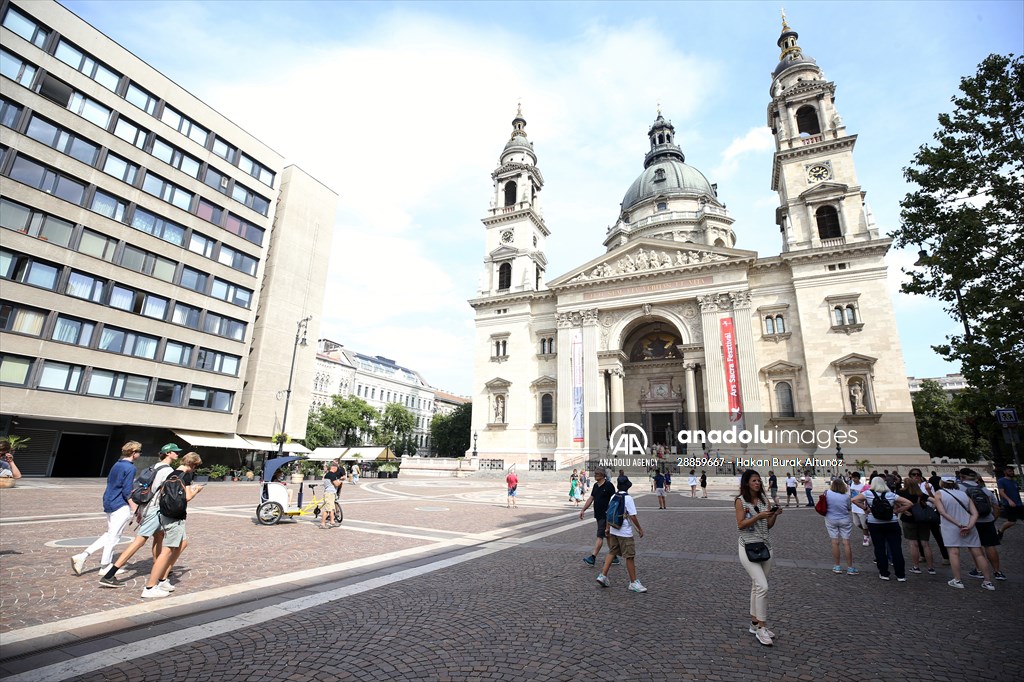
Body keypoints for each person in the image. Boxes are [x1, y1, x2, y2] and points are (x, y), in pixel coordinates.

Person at [98, 443, 181, 587]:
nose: (177, 454)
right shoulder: (168, 470)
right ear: (168, 453)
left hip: (147, 507)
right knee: (139, 541)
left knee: (159, 536)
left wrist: (139, 510)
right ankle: (110, 574)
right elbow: (164, 493)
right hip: (156, 509)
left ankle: (159, 567)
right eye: (175, 452)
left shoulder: (154, 466)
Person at [71, 442, 141, 577]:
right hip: (120, 504)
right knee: (114, 537)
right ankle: (105, 565)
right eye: (140, 451)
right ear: (134, 452)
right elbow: (127, 491)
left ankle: (83, 556)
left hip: (109, 501)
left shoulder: (117, 464)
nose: (140, 454)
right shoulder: (130, 468)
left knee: (110, 534)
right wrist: (135, 509)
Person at [141, 452, 204, 598]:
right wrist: (196, 491)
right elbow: (187, 497)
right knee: (167, 551)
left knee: (183, 543)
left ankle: (163, 579)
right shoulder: (186, 475)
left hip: (165, 514)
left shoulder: (172, 473)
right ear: (193, 464)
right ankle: (150, 587)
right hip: (176, 516)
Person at [735, 469, 782, 646]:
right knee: (763, 586)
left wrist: (773, 515)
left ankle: (754, 623)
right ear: (747, 483)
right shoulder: (740, 501)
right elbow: (740, 524)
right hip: (747, 547)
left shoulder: (764, 500)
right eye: (754, 481)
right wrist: (758, 516)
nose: (757, 483)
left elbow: (767, 525)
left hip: (765, 547)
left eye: (759, 481)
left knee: (757, 586)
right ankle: (762, 627)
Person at [933, 475, 995, 590]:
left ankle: (958, 580)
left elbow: (942, 512)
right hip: (968, 525)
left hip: (951, 526)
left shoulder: (939, 493)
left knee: (954, 552)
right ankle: (988, 581)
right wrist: (969, 526)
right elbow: (975, 513)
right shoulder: (964, 494)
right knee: (979, 554)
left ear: (942, 483)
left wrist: (958, 524)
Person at [852, 476, 911, 582]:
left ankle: (884, 573)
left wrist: (866, 508)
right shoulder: (891, 494)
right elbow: (909, 503)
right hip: (892, 523)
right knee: (896, 549)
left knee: (879, 548)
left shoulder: (868, 493)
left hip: (874, 523)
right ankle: (900, 574)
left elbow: (854, 499)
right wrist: (898, 511)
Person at [595, 478, 646, 593]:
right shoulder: (628, 498)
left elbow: (609, 513)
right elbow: (632, 516)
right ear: (627, 487)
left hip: (614, 530)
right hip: (624, 532)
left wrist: (607, 528)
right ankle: (633, 582)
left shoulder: (614, 497)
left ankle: (603, 575)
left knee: (612, 552)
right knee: (629, 556)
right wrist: (640, 529)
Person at [958, 469, 1006, 581]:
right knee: (990, 546)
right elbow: (996, 507)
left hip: (971, 521)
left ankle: (979, 570)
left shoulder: (960, 489)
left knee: (975, 547)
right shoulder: (985, 490)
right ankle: (997, 571)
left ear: (961, 477)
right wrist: (993, 519)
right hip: (987, 520)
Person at [579, 467, 619, 567]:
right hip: (598, 514)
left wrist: (611, 512)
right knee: (608, 535)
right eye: (595, 473)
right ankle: (614, 556)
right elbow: (591, 498)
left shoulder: (609, 485)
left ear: (602, 475)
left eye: (597, 474)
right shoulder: (596, 486)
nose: (595, 475)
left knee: (600, 535)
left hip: (606, 515)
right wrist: (583, 509)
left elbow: (614, 501)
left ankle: (593, 557)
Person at [899, 472, 936, 576]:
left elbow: (895, 504)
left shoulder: (901, 493)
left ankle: (916, 567)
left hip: (909, 519)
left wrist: (903, 511)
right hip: (922, 519)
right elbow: (934, 500)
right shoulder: (920, 494)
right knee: (925, 544)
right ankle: (931, 568)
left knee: (913, 544)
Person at [824, 478, 857, 575]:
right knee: (846, 542)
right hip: (844, 519)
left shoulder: (827, 493)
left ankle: (837, 566)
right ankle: (850, 567)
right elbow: (848, 508)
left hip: (831, 519)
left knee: (835, 542)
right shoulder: (846, 496)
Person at [996, 466, 1022, 540]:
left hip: (1018, 503)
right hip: (1009, 504)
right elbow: (1001, 492)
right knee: (1012, 522)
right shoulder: (1001, 481)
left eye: (1012, 471)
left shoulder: (1014, 481)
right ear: (1005, 472)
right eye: (1010, 471)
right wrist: (1009, 500)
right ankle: (1000, 530)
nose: (1012, 472)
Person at [848, 472, 870, 547]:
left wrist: (865, 507)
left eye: (855, 478)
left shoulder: (863, 486)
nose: (853, 479)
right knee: (856, 523)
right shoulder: (851, 484)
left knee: (864, 525)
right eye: (852, 478)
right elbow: (850, 495)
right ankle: (868, 532)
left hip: (861, 507)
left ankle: (866, 537)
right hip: (854, 507)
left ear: (858, 478)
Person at [320, 461, 343, 529]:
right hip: (329, 493)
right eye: (337, 468)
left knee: (332, 509)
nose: (337, 470)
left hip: (331, 493)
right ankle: (322, 524)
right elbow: (336, 484)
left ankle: (332, 522)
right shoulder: (331, 475)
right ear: (334, 467)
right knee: (327, 509)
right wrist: (340, 481)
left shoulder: (328, 474)